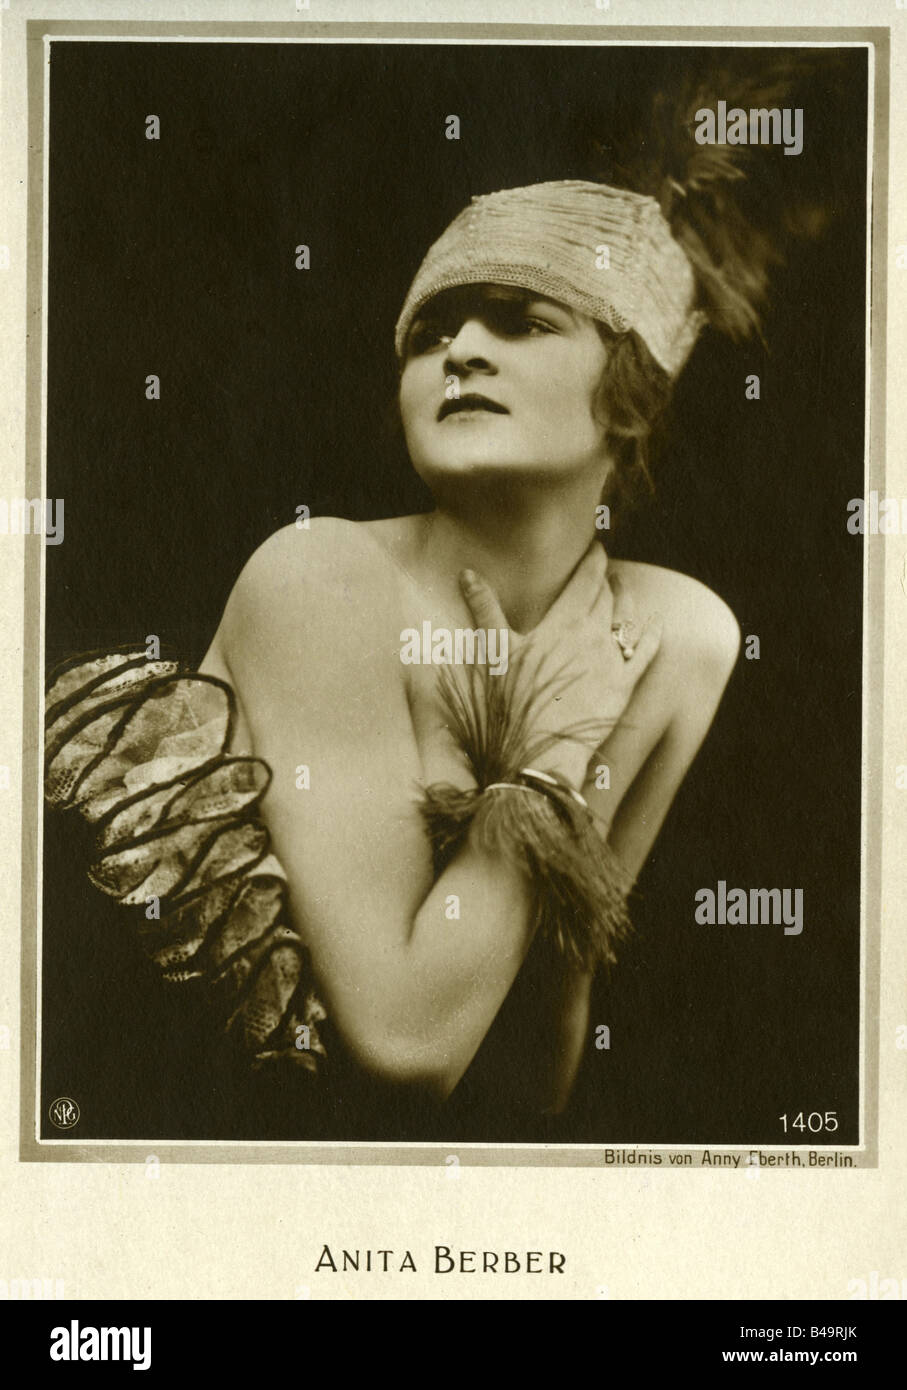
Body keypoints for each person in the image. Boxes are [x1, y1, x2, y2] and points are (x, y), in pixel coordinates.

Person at [44, 174, 753, 1139]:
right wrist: (559, 738)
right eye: (429, 335)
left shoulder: (679, 627)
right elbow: (406, 1051)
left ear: (629, 393)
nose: (460, 351)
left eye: (521, 322)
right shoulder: (321, 575)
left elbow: (534, 1073)